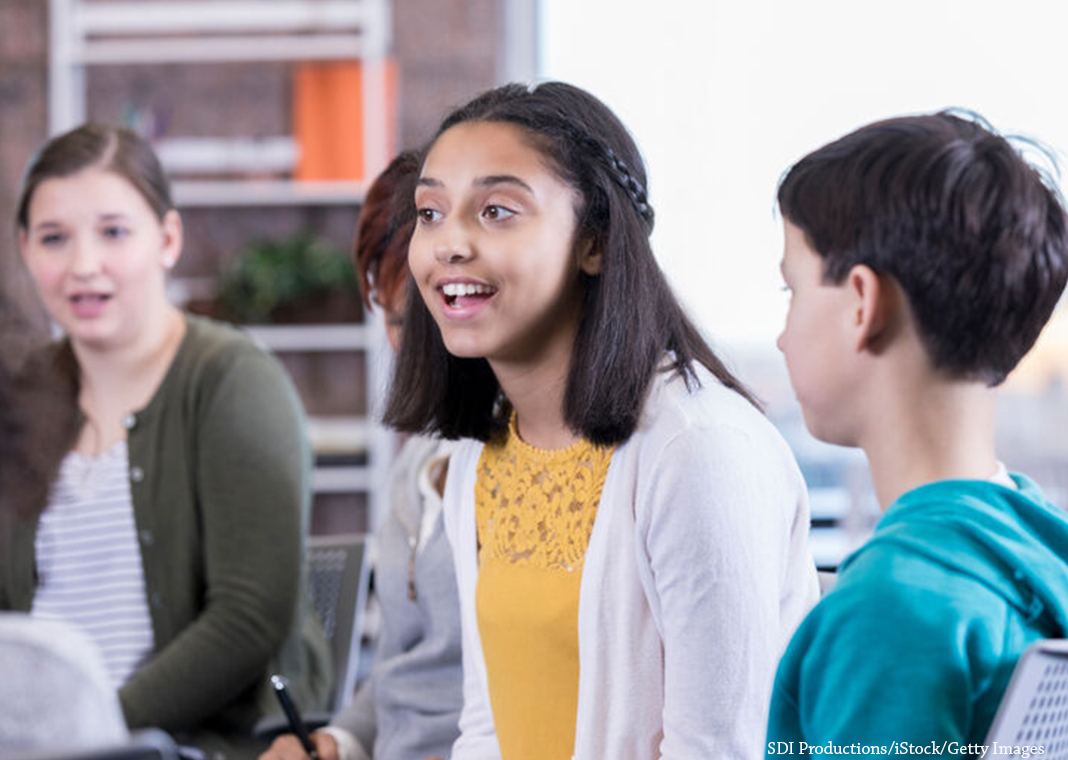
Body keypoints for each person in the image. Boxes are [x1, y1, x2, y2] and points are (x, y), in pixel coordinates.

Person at [385, 81, 819, 760]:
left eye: (496, 211)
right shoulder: (479, 455)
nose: (449, 244)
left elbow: (720, 749)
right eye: (430, 212)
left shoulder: (700, 451)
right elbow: (486, 727)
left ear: (595, 242)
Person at [0, 123, 332, 758]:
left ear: (168, 239)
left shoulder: (231, 381)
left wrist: (87, 732)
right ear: (25, 248)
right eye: (54, 238)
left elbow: (248, 616)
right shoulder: (20, 394)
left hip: (182, 745)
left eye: (113, 232)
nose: (83, 265)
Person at [767, 111, 1068, 750]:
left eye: (791, 290)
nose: (782, 337)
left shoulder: (887, 615)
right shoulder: (1034, 556)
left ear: (861, 303)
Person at [261, 151, 463, 760]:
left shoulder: (539, 462)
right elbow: (404, 666)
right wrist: (338, 739)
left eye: (434, 310)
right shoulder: (418, 461)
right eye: (398, 321)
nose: (418, 346)